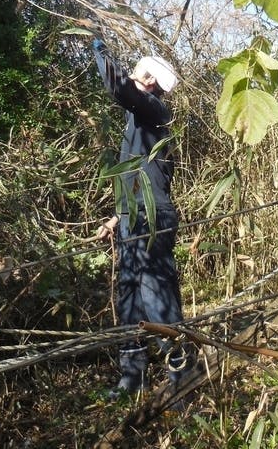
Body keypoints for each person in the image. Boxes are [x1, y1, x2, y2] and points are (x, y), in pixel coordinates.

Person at [93, 37, 193, 396]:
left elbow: (120, 88)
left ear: (149, 82)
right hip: (133, 218)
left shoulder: (154, 111)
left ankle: (182, 379)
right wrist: (117, 218)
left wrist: (100, 49)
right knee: (130, 298)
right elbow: (139, 180)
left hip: (153, 220)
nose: (135, 75)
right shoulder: (138, 121)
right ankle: (131, 379)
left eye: (139, 72)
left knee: (156, 297)